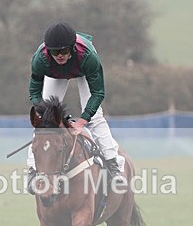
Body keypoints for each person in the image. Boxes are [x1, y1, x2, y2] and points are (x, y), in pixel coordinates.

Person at [27, 21, 126, 190]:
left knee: (95, 118)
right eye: (54, 52)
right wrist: (46, 114)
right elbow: (34, 93)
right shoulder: (40, 59)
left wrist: (82, 121)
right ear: (48, 51)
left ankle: (113, 166)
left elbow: (98, 94)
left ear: (72, 48)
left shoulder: (88, 58)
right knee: (45, 124)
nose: (59, 55)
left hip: (82, 70)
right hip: (55, 74)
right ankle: (32, 171)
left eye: (63, 51)